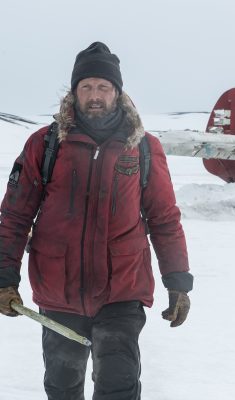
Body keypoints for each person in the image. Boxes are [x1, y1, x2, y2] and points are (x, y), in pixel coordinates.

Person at [0, 42, 193, 400]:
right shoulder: (45, 145)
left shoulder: (144, 148)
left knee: (118, 387)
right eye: (86, 86)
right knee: (62, 387)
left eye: (103, 87)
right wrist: (4, 276)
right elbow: (14, 216)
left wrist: (178, 281)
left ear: (118, 93)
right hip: (59, 291)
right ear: (74, 92)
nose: (94, 95)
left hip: (123, 289)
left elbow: (164, 218)